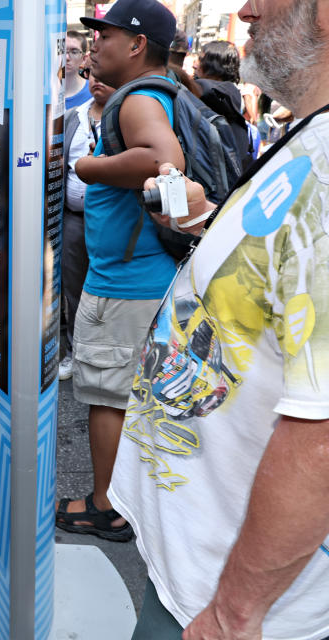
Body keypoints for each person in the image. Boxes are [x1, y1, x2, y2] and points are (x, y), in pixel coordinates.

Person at [111, 1, 329, 637]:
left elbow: (320, 436)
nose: (246, 10)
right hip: (198, 557)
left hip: (229, 599)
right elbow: (281, 287)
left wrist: (235, 614)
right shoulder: (311, 137)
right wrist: (208, 227)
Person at [56, 0, 182, 543]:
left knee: (108, 395)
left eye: (103, 36)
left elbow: (162, 159)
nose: (94, 46)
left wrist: (87, 166)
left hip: (126, 285)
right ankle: (129, 498)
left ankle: (106, 506)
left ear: (135, 46)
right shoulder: (160, 93)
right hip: (147, 275)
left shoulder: (137, 100)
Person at [59, 72, 115, 383]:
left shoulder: (126, 115)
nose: (97, 80)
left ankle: (105, 356)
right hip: (74, 220)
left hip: (109, 221)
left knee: (106, 292)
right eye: (93, 75)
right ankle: (74, 353)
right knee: (73, 289)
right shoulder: (73, 117)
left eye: (105, 75)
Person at [64, 30, 92, 110]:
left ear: (84, 58)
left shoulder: (93, 93)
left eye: (74, 52)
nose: (67, 57)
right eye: (63, 51)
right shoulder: (46, 92)